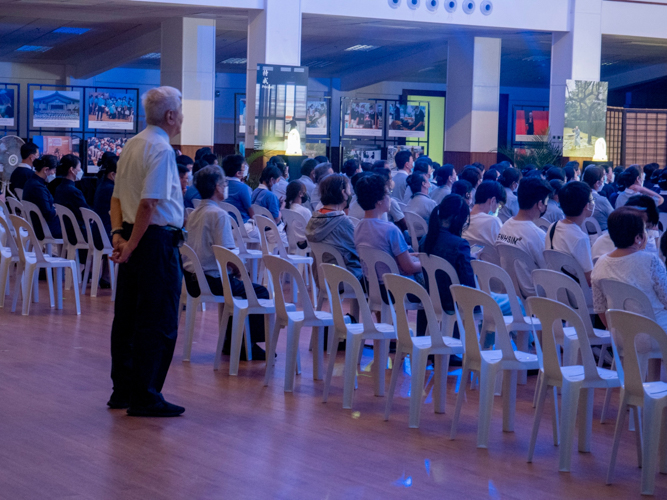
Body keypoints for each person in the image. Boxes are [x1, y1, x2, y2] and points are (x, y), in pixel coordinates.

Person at [108, 86, 186, 417]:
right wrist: (134, 246)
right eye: (180, 111)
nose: (182, 117)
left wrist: (118, 238)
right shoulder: (162, 149)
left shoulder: (132, 144)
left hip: (129, 236)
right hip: (151, 242)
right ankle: (146, 394)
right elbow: (149, 203)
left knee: (126, 318)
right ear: (170, 115)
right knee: (158, 319)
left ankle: (123, 390)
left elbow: (116, 200)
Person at [181, 165, 269, 360]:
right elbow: (226, 254)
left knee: (239, 290)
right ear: (217, 187)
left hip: (192, 279)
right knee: (258, 291)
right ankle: (247, 345)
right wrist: (240, 271)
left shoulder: (193, 213)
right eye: (223, 183)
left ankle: (232, 342)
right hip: (212, 280)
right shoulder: (219, 214)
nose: (225, 187)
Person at [592, 207, 667, 332]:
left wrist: (616, 333)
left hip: (621, 337)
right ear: (638, 238)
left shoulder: (600, 263)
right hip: (658, 334)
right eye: (645, 229)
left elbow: (600, 308)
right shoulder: (651, 261)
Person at [354, 174, 421, 285]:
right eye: (388, 193)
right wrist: (427, 264)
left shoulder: (358, 227)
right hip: (399, 291)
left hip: (373, 287)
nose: (390, 198)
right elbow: (409, 268)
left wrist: (406, 257)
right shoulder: (390, 230)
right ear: (379, 200)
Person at [497, 176, 553, 296]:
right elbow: (549, 273)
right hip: (535, 297)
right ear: (540, 204)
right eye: (546, 202)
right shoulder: (538, 235)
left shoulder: (505, 226)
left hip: (510, 293)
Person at [420, 194, 476, 312]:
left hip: (433, 299)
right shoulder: (460, 245)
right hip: (458, 302)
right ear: (457, 219)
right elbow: (469, 284)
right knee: (517, 303)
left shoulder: (425, 240)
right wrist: (472, 262)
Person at [306, 174, 363, 281]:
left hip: (320, 276)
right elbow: (360, 251)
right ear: (343, 193)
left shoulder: (314, 218)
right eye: (349, 190)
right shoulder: (343, 222)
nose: (351, 193)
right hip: (346, 278)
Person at [544, 181, 595, 286]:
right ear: (586, 206)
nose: (593, 203)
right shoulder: (580, 238)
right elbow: (589, 279)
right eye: (591, 200)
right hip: (577, 295)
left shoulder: (552, 227)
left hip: (556, 287)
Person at [22, 154, 61, 239]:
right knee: (74, 231)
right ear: (46, 170)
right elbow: (48, 213)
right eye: (53, 171)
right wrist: (57, 210)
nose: (54, 174)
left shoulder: (30, 182)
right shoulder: (38, 187)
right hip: (45, 229)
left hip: (36, 226)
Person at [54, 154, 90, 246]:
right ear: (71, 170)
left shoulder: (58, 188)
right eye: (79, 168)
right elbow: (87, 214)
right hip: (78, 233)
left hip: (65, 230)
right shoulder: (74, 192)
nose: (80, 171)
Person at [462, 180, 506, 247]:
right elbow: (504, 248)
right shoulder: (493, 222)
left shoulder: (462, 217)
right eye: (499, 205)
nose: (497, 209)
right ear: (493, 201)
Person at [221, 154, 254, 227]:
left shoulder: (219, 186)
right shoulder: (244, 188)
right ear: (238, 173)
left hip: (224, 225)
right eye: (244, 168)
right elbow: (251, 211)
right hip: (242, 226)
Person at [583, 165, 614, 231]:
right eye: (603, 179)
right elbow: (616, 218)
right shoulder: (602, 200)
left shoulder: (578, 196)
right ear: (597, 183)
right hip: (601, 236)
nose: (603, 181)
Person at [94, 155, 118, 238]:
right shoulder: (111, 189)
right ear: (112, 174)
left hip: (98, 233)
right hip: (106, 235)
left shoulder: (102, 185)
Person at [284, 180, 312, 247]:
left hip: (291, 243)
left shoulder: (286, 210)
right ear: (300, 194)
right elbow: (312, 230)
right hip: (304, 245)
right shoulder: (305, 211)